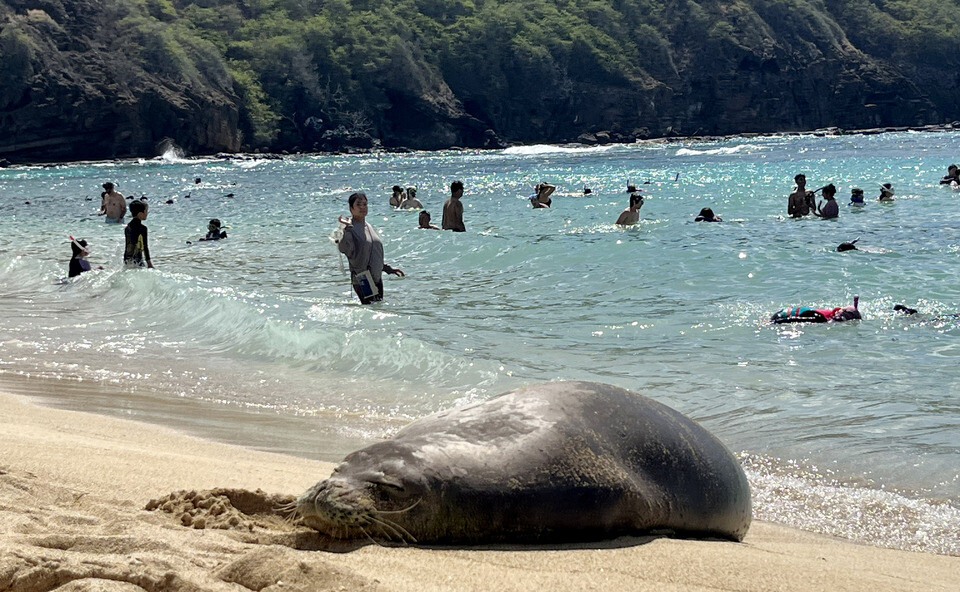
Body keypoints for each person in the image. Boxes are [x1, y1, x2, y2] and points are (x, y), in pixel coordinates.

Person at [337, 192, 404, 304]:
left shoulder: (368, 225)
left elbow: (371, 252)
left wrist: (386, 268)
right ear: (351, 208)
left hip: (376, 276)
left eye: (365, 204)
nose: (363, 207)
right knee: (373, 308)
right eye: (359, 204)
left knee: (378, 308)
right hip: (362, 278)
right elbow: (343, 248)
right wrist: (347, 228)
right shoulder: (348, 228)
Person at [124, 200, 153, 268]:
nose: (147, 213)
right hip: (137, 260)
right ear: (140, 214)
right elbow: (145, 247)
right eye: (145, 211)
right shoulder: (142, 228)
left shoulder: (127, 227)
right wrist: (149, 263)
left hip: (127, 259)